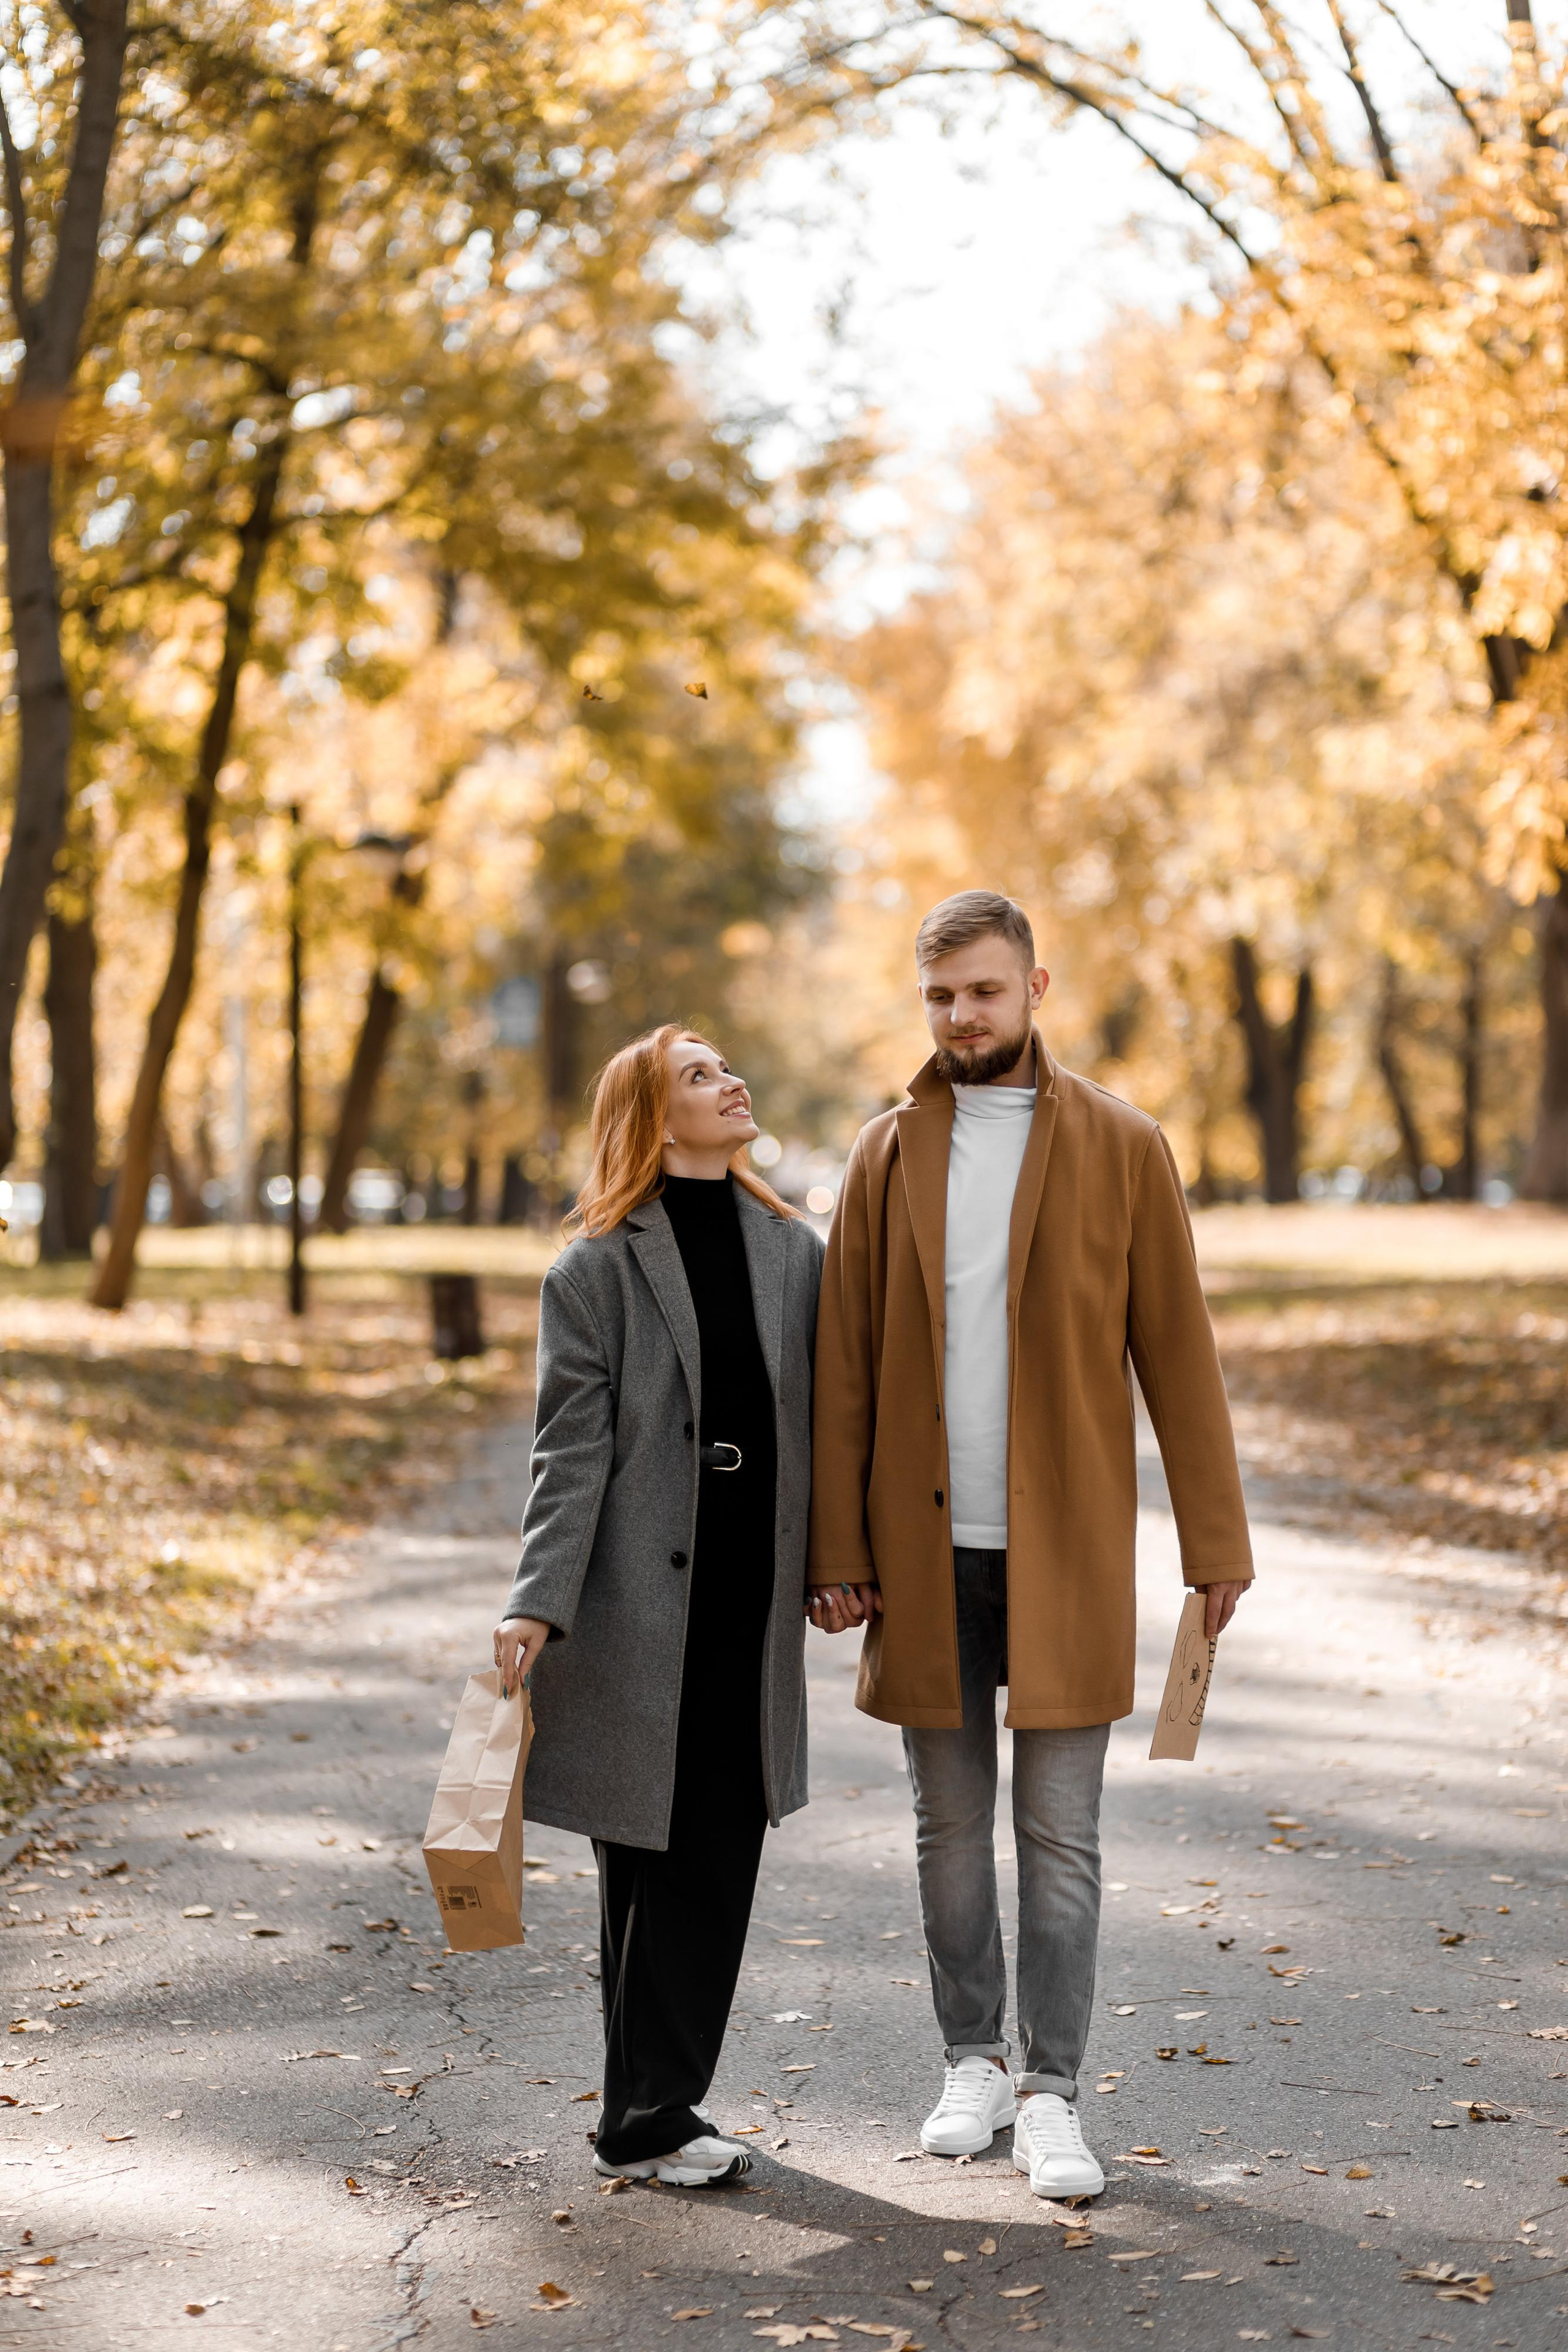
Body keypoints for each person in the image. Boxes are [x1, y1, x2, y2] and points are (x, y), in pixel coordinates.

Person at [807, 890, 1253, 2202]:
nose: (961, 1017)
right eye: (941, 997)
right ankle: (972, 2063)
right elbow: (843, 1368)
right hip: (916, 1554)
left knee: (1059, 1836)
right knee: (947, 1828)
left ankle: (1053, 2091)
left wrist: (1211, 1543)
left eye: (984, 993)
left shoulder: (1123, 1147)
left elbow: (1176, 1350)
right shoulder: (885, 1153)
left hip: (1060, 1554)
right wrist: (836, 1543)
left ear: (1034, 987)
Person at [493, 1023, 823, 2187]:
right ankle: (648, 2118)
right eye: (699, 1075)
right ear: (650, 1114)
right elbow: (567, 1452)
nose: (730, 1081)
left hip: (753, 1591)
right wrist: (538, 1601)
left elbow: (827, 1426)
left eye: (729, 1066)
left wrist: (840, 1560)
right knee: (646, 1855)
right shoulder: (592, 1267)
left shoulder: (795, 1250)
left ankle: (645, 2113)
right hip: (636, 1600)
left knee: (713, 1846)